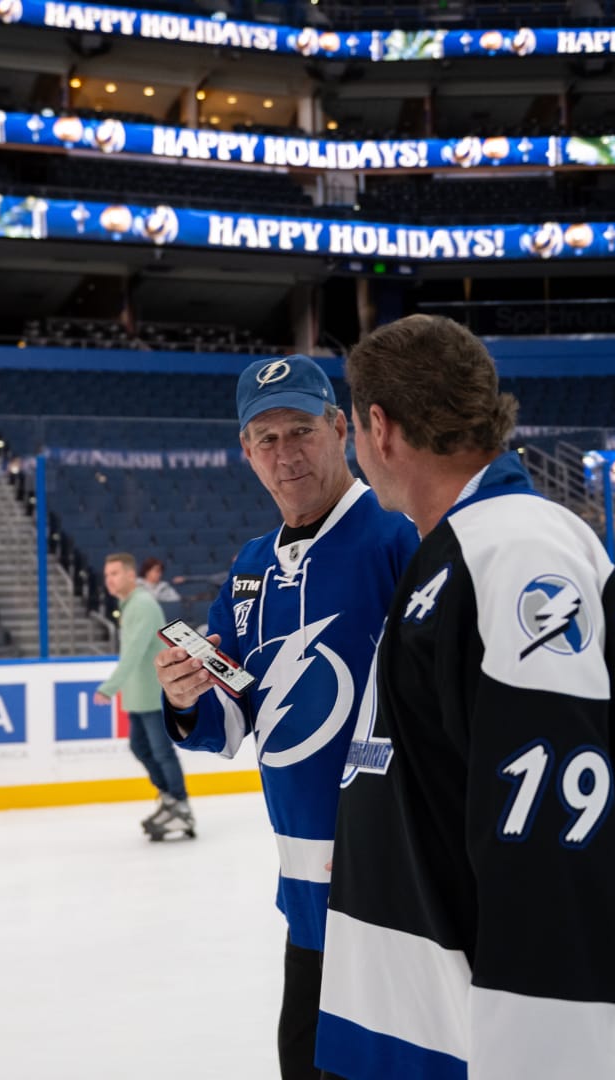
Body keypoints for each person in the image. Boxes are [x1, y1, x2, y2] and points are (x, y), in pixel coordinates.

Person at [316, 315, 615, 1080]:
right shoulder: (460, 552)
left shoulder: (512, 553)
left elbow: (554, 851)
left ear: (380, 428)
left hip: (472, 1041)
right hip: (413, 1026)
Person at [153, 354, 419, 1080]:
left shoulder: (399, 536)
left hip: (401, 895)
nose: (285, 453)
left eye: (300, 430)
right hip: (305, 897)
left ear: (340, 429)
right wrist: (185, 696)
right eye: (265, 439)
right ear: (246, 452)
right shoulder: (249, 567)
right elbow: (235, 715)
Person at [94, 552, 192, 840]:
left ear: (129, 574)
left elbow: (135, 651)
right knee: (140, 748)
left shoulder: (144, 605)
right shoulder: (129, 605)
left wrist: (110, 686)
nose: (109, 580)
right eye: (106, 575)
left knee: (161, 751)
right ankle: (169, 799)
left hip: (153, 694)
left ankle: (182, 808)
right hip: (138, 695)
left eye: (114, 573)